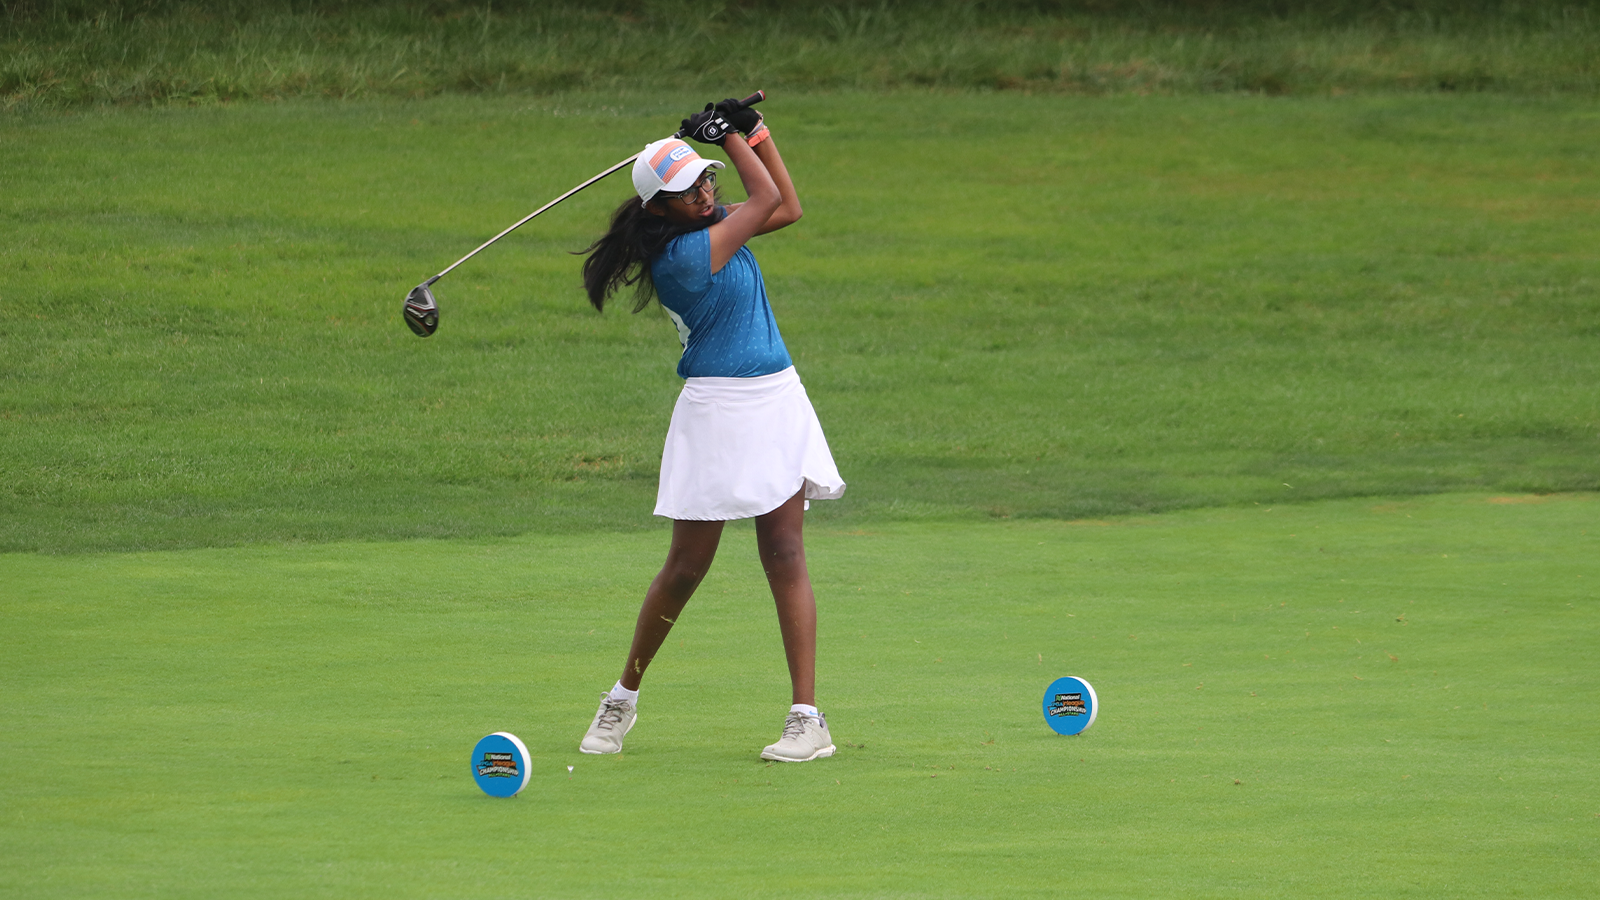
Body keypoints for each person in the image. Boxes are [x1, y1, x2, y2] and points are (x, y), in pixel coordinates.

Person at [574, 100, 845, 762]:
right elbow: (765, 196)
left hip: (777, 400)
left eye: (706, 178)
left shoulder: (709, 222)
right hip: (718, 412)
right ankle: (622, 698)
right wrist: (730, 138)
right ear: (656, 209)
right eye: (688, 188)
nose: (704, 192)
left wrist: (754, 134)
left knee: (784, 552)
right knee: (686, 567)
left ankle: (807, 719)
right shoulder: (687, 257)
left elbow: (786, 206)